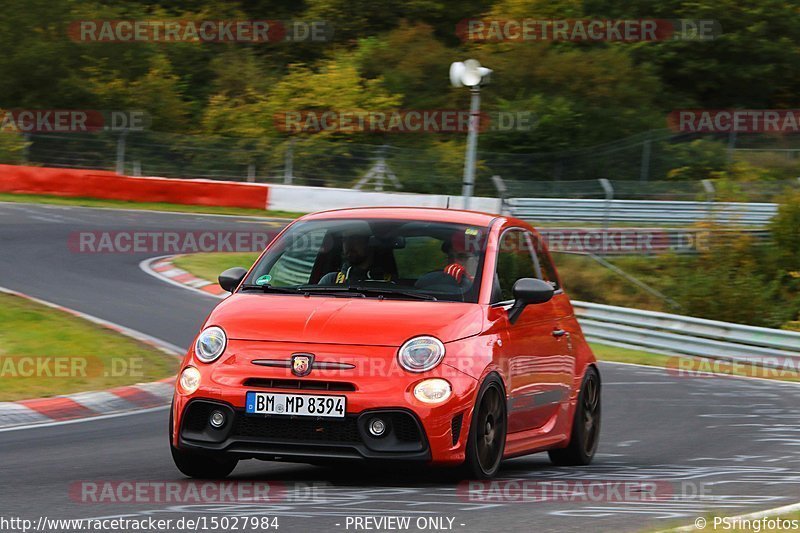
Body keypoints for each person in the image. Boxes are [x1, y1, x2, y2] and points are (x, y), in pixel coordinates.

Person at [318, 231, 392, 284]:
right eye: (345, 240)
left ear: (369, 242)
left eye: (355, 238)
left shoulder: (390, 283)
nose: (348, 244)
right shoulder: (330, 281)